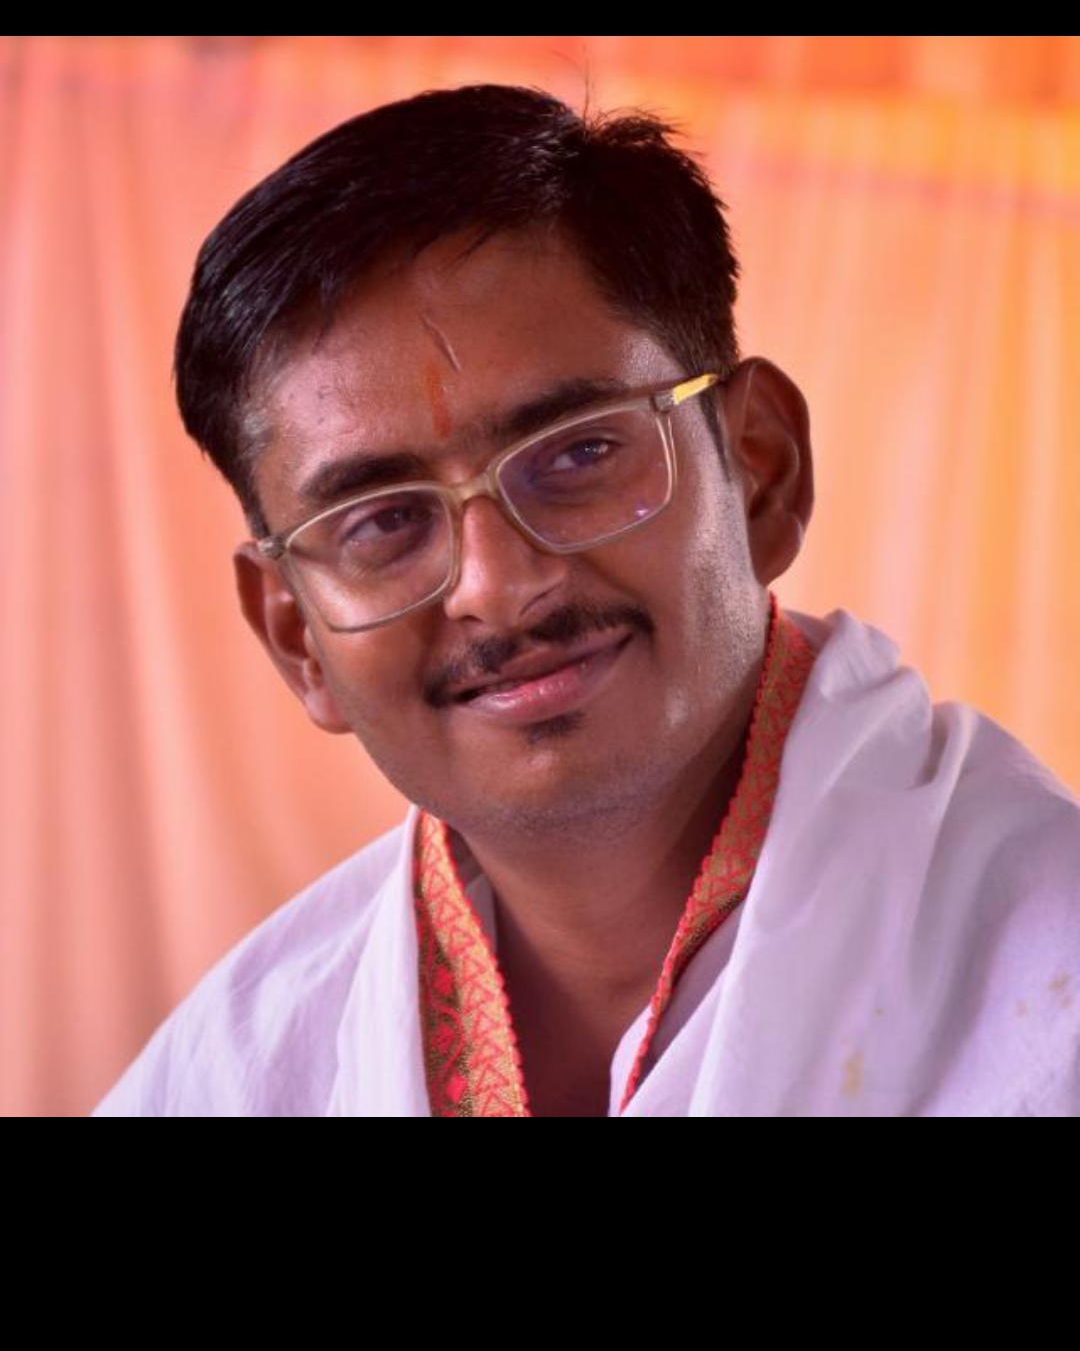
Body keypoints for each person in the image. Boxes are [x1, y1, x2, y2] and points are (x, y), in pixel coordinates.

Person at [91, 83, 1080, 1117]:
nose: (499, 585)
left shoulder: (1046, 974)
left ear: (759, 469)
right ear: (298, 636)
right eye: (382, 522)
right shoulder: (234, 1073)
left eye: (577, 454)